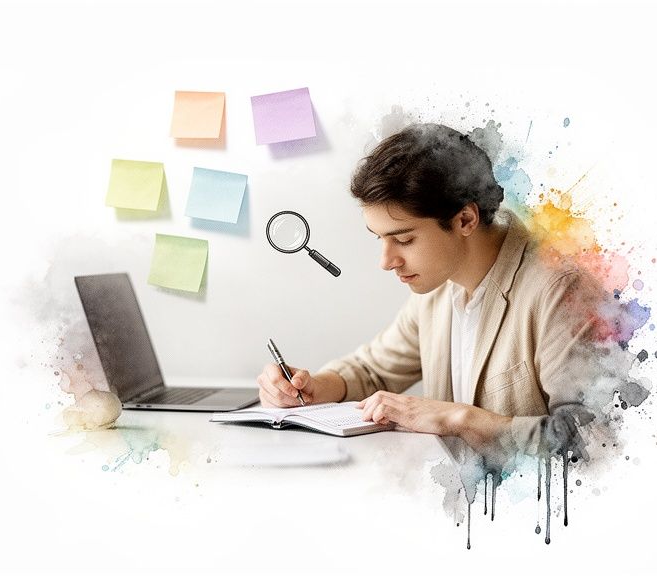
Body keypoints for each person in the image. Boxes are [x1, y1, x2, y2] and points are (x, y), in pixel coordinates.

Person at [256, 123, 603, 462]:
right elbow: (372, 370)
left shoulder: (560, 289)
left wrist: (457, 419)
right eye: (380, 238)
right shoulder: (437, 290)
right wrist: (312, 387)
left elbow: (591, 438)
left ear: (465, 220)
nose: (386, 261)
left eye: (404, 240)